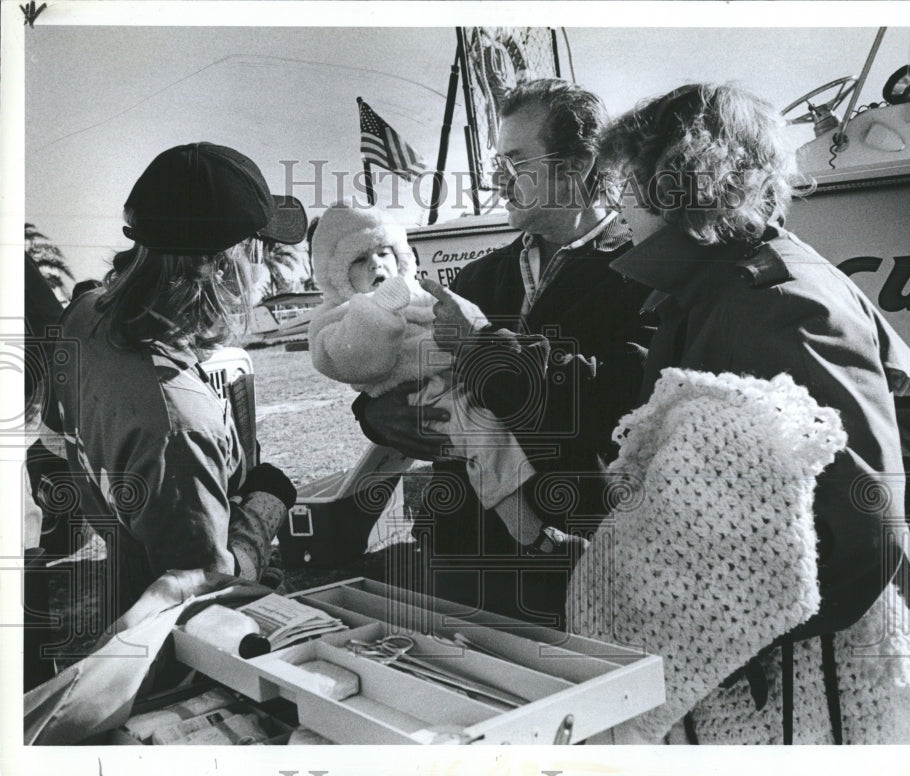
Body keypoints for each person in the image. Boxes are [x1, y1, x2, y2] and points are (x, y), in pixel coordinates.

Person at [566, 83, 910, 743]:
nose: (618, 210)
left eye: (627, 187)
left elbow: (867, 531)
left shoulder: (775, 302)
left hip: (816, 688)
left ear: (680, 185)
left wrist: (732, 641)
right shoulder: (727, 287)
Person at [354, 79, 650, 628]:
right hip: (459, 560)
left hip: (581, 566)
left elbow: (619, 403)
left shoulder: (641, 274)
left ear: (578, 164)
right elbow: (393, 371)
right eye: (497, 162)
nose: (498, 180)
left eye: (516, 161)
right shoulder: (477, 276)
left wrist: (483, 347)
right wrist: (378, 414)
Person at [41, 142, 307, 623]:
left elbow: (57, 429)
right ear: (226, 264)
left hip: (123, 574)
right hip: (175, 654)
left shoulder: (82, 316)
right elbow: (199, 596)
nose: (268, 271)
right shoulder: (179, 424)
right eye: (262, 252)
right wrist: (264, 510)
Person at [309, 204, 558, 550]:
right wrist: (378, 316)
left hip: (457, 380)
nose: (376, 264)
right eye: (359, 260)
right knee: (483, 435)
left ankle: (526, 515)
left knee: (489, 436)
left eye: (384, 252)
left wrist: (474, 341)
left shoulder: (419, 294)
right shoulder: (340, 315)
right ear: (336, 276)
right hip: (422, 393)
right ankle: (524, 526)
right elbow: (354, 361)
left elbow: (458, 321)